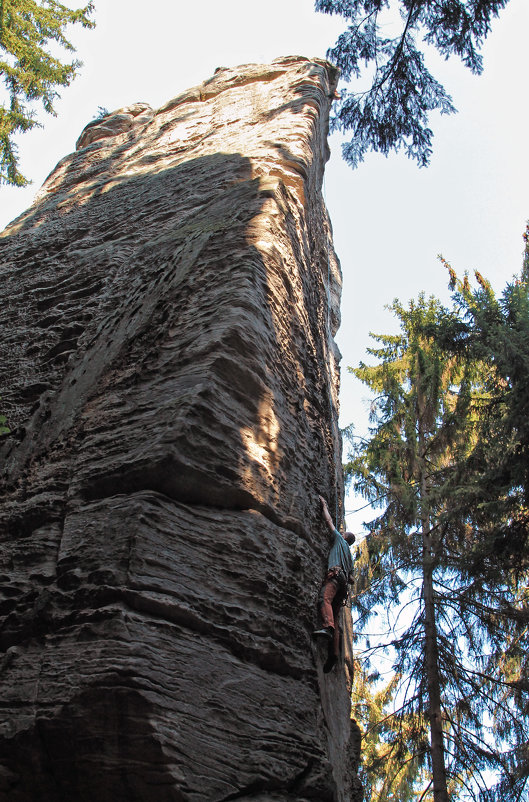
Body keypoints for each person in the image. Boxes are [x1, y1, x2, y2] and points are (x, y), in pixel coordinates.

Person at [312, 495, 356, 672]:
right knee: (337, 618)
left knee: (325, 599)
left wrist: (323, 505)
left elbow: (329, 521)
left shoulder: (339, 539)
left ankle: (327, 628)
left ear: (344, 536)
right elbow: (352, 577)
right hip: (344, 584)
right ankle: (335, 654)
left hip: (335, 577)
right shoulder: (350, 557)